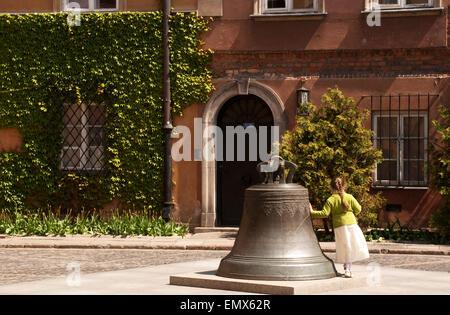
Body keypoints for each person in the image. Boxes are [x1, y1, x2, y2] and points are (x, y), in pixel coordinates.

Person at [309, 177, 369, 278]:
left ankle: (347, 269)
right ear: (344, 186)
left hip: (339, 226)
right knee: (351, 246)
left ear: (330, 187)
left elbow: (324, 213)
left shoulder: (331, 199)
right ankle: (348, 268)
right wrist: (351, 212)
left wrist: (311, 212)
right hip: (352, 224)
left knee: (345, 247)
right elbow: (358, 209)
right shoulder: (349, 197)